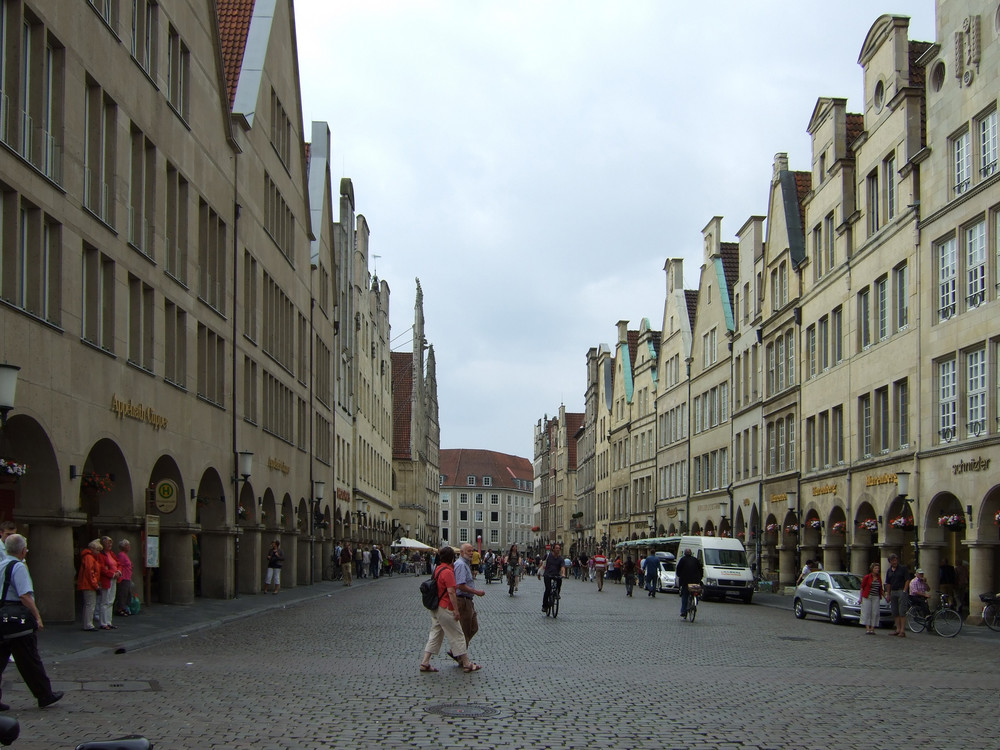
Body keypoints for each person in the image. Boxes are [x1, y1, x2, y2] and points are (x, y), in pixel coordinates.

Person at [0, 534, 63, 709]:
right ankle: (44, 694)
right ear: (22, 550)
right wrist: (37, 617)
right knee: (29, 658)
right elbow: (25, 595)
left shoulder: (1, 564)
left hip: (1, 614)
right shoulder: (18, 567)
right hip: (16, 617)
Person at [419, 546, 480, 673]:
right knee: (458, 634)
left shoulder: (438, 569)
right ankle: (467, 663)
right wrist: (456, 611)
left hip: (435, 607)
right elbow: (452, 592)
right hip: (445, 607)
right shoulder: (448, 572)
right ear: (452, 558)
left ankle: (425, 662)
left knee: (435, 633)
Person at [452, 543, 485, 657]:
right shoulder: (461, 564)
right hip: (463, 600)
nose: (471, 553)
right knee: (465, 631)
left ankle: (457, 651)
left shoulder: (465, 564)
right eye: (468, 551)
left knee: (473, 627)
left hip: (468, 600)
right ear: (461, 552)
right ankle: (461, 657)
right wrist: (476, 592)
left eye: (472, 551)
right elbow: (460, 585)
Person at [76, 539, 102, 631]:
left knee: (89, 604)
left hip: (88, 583)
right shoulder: (89, 558)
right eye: (98, 550)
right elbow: (90, 573)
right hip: (88, 584)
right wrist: (96, 585)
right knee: (90, 604)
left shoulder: (89, 557)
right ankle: (88, 624)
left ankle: (88, 623)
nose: (98, 552)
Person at [97, 536, 120, 630]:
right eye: (107, 543)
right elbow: (102, 568)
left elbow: (118, 563)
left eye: (110, 543)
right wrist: (112, 574)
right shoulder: (101, 555)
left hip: (114, 578)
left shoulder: (112, 553)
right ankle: (103, 622)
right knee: (105, 601)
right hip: (107, 579)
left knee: (111, 600)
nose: (110, 545)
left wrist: (119, 571)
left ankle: (109, 621)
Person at [884, 553, 910, 637]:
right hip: (893, 592)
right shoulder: (889, 571)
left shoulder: (903, 568)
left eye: (895, 560)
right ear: (890, 562)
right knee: (895, 611)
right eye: (892, 560)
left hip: (901, 590)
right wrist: (888, 594)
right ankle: (898, 629)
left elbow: (907, 580)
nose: (894, 562)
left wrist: (904, 590)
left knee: (902, 611)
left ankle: (902, 630)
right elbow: (888, 583)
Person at [675, 548, 703, 621]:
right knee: (695, 592)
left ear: (685, 553)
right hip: (695, 581)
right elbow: (700, 569)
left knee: (685, 595)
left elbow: (678, 570)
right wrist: (700, 578)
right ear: (691, 553)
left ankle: (683, 611)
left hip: (686, 582)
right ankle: (695, 600)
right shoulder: (695, 560)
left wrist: (679, 576)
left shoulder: (682, 560)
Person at [539, 543, 566, 613]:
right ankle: (544, 606)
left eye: (559, 548)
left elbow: (563, 567)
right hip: (547, 574)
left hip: (556, 574)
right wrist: (539, 572)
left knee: (559, 581)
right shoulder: (548, 556)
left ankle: (557, 594)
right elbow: (542, 563)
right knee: (548, 589)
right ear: (553, 549)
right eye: (556, 548)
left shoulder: (560, 558)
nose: (558, 549)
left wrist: (563, 573)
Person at [859, 562, 884, 634]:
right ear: (872, 569)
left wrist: (885, 596)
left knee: (875, 612)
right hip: (867, 596)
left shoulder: (879, 578)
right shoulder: (867, 577)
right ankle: (867, 628)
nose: (877, 569)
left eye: (878, 568)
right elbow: (862, 587)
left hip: (876, 596)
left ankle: (873, 628)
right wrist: (860, 598)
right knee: (867, 612)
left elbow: (880, 588)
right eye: (875, 568)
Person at [114, 539, 133, 617]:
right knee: (123, 593)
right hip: (123, 577)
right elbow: (120, 565)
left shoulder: (125, 555)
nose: (129, 547)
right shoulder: (121, 555)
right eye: (127, 545)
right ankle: (120, 609)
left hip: (128, 576)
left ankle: (124, 607)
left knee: (127, 594)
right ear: (123, 547)